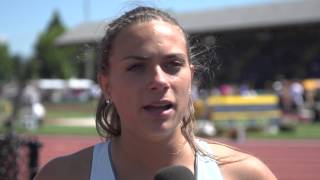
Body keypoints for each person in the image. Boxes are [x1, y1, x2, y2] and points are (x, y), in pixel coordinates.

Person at [34, 6, 276, 180]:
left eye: (173, 64)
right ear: (107, 86)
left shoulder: (247, 174)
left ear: (191, 78)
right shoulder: (61, 175)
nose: (159, 81)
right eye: (137, 66)